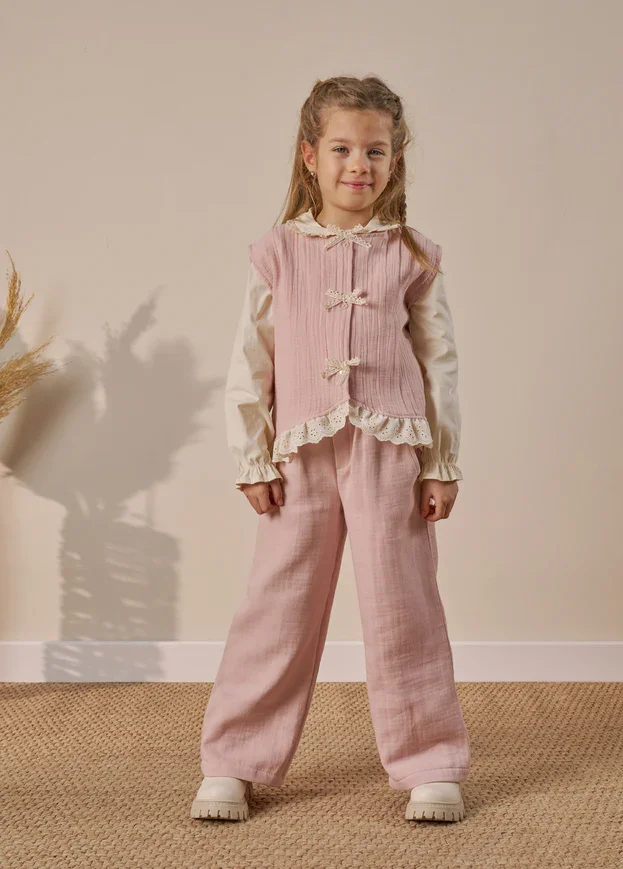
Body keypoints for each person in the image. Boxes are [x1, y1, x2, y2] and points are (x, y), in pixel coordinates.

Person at [191, 74, 471, 824]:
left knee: (403, 604)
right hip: (299, 451)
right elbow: (250, 359)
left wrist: (441, 462)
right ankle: (234, 760)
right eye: (342, 148)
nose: (359, 164)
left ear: (394, 160)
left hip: (392, 446)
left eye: (375, 151)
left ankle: (428, 760)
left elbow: (438, 361)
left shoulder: (412, 254)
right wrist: (252, 456)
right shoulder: (277, 252)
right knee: (277, 604)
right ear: (309, 156)